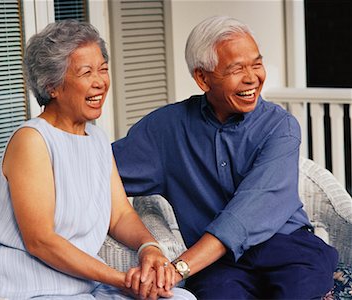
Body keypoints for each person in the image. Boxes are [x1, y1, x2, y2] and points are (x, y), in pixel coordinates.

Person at [112, 15, 339, 299]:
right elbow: (101, 172)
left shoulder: (280, 127)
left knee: (303, 287)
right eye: (237, 68)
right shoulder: (165, 130)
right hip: (217, 265)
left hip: (287, 247)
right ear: (202, 78)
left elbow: (249, 212)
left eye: (257, 64)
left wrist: (180, 267)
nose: (252, 78)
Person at [0, 19, 195, 300]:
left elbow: (121, 215)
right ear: (52, 86)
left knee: (182, 298)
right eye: (86, 72)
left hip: (81, 286)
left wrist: (149, 247)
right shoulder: (32, 140)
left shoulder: (97, 139)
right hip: (24, 288)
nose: (100, 81)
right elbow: (40, 240)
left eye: (102, 69)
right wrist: (121, 279)